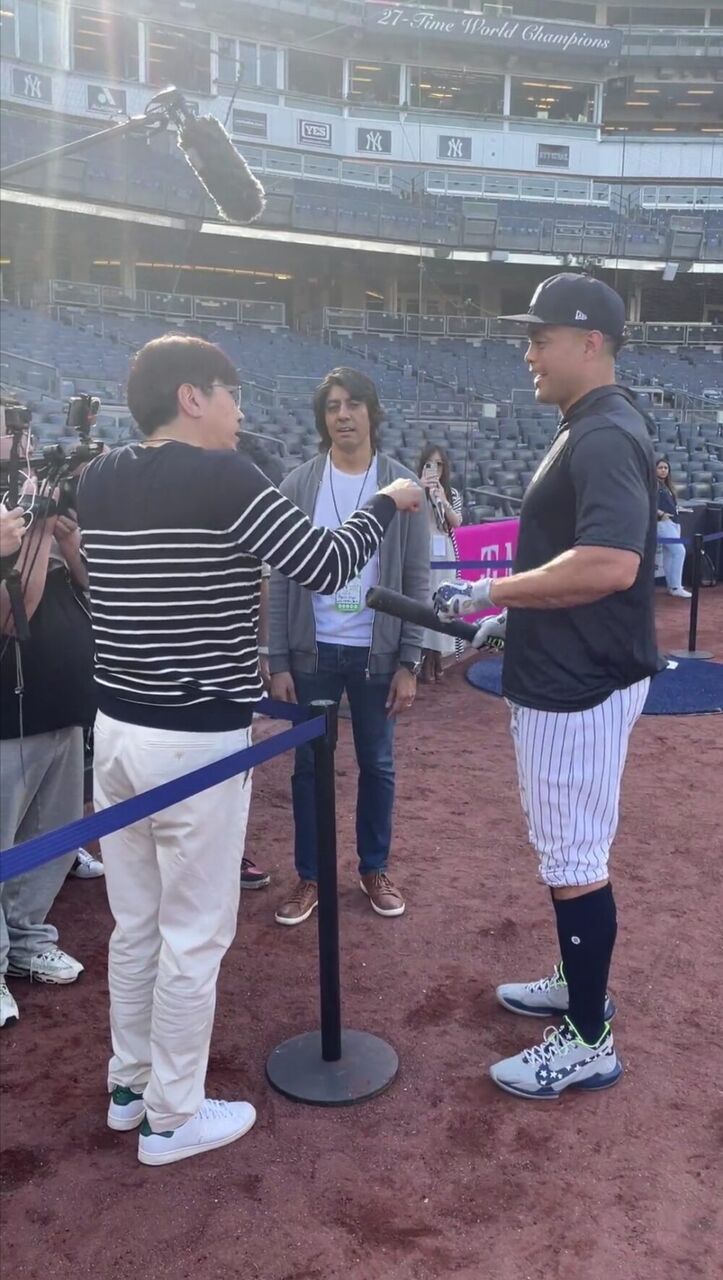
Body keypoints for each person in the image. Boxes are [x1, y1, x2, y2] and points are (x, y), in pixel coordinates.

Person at [75, 336, 420, 1166]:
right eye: (230, 393)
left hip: (117, 732)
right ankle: (171, 1119)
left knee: (137, 926)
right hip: (194, 744)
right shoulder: (227, 477)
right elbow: (327, 563)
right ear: (192, 397)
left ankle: (130, 1088)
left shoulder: (98, 477)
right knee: (193, 935)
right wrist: (389, 499)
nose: (240, 411)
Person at [435, 274, 661, 1100]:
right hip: (568, 668)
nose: (526, 352)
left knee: (573, 858)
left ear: (589, 342)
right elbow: (574, 564)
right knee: (568, 851)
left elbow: (608, 564)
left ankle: (588, 1039)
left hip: (578, 686)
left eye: (540, 338)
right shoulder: (590, 425)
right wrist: (514, 618)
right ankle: (578, 985)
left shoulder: (601, 434)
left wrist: (489, 593)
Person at [269, 368, 430, 927]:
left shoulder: (402, 485)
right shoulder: (299, 485)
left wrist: (409, 661)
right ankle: (310, 875)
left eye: (353, 404)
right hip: (312, 654)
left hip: (376, 656)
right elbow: (281, 578)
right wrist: (277, 659)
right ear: (323, 417)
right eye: (333, 405)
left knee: (377, 765)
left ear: (371, 412)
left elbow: (416, 579)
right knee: (307, 770)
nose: (342, 414)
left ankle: (374, 868)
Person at [1, 477, 94, 1030]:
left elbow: (95, 590)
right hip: (8, 716)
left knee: (52, 840)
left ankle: (27, 940)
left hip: (62, 704)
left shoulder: (30, 503)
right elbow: (15, 616)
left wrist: (67, 541)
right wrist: (32, 531)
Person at [417, 444, 462, 683]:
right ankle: (425, 658)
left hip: (445, 555)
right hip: (423, 553)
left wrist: (443, 500)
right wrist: (420, 490)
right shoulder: (414, 490)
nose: (435, 469)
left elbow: (456, 522)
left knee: (442, 606)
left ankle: (435, 658)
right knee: (425, 604)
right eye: (430, 464)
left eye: (439, 465)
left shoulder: (452, 493)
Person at [656, 457, 691, 599]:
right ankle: (676, 586)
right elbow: (649, 503)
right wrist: (661, 514)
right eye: (660, 467)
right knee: (679, 551)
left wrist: (679, 509)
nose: (663, 470)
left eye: (666, 468)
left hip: (674, 522)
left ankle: (672, 586)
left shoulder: (667, 486)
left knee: (670, 554)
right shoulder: (653, 485)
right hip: (663, 523)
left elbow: (669, 503)